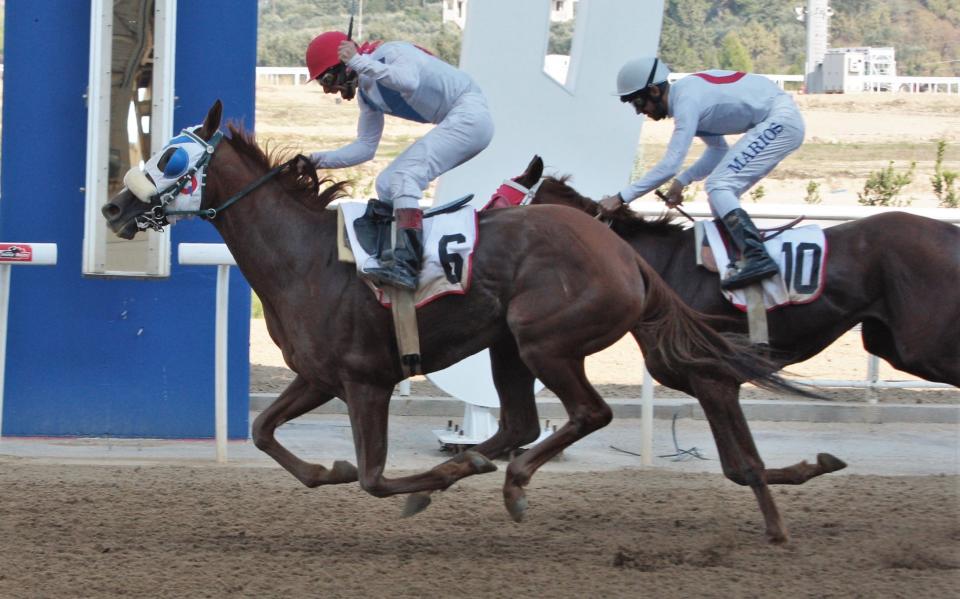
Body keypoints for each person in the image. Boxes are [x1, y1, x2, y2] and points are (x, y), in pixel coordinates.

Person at [304, 31, 494, 290]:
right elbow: (365, 148)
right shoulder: (367, 96)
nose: (328, 90)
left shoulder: (391, 52)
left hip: (470, 115)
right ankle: (392, 251)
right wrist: (313, 160)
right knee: (385, 183)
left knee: (405, 176)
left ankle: (408, 263)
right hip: (460, 119)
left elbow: (408, 81)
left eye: (326, 79)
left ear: (344, 65)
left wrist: (358, 61)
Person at [598, 57, 805, 290]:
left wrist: (621, 198)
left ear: (654, 91)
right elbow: (718, 150)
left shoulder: (686, 102)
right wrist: (682, 181)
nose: (639, 112)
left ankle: (757, 257)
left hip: (780, 121)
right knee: (719, 192)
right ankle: (740, 256)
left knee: (719, 186)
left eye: (638, 102)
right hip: (779, 119)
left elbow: (669, 164)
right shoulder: (687, 98)